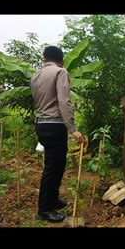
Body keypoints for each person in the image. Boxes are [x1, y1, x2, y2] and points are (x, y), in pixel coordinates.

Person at [30, 46, 83, 223]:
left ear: (45, 58)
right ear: (61, 60)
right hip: (55, 125)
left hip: (41, 125)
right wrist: (73, 129)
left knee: (55, 165)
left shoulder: (36, 74)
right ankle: (44, 209)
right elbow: (64, 101)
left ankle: (52, 200)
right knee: (53, 167)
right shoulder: (60, 72)